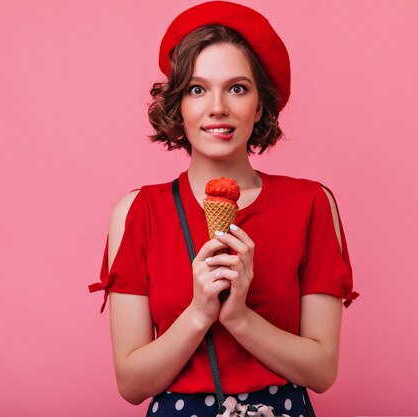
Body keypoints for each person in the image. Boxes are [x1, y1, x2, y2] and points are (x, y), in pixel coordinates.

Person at [88, 2, 359, 416]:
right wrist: (199, 313)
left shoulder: (311, 204)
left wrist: (239, 318)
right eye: (197, 89)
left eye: (237, 88)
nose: (218, 107)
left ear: (261, 104)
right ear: (177, 104)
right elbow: (132, 383)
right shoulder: (137, 211)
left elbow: (322, 371)